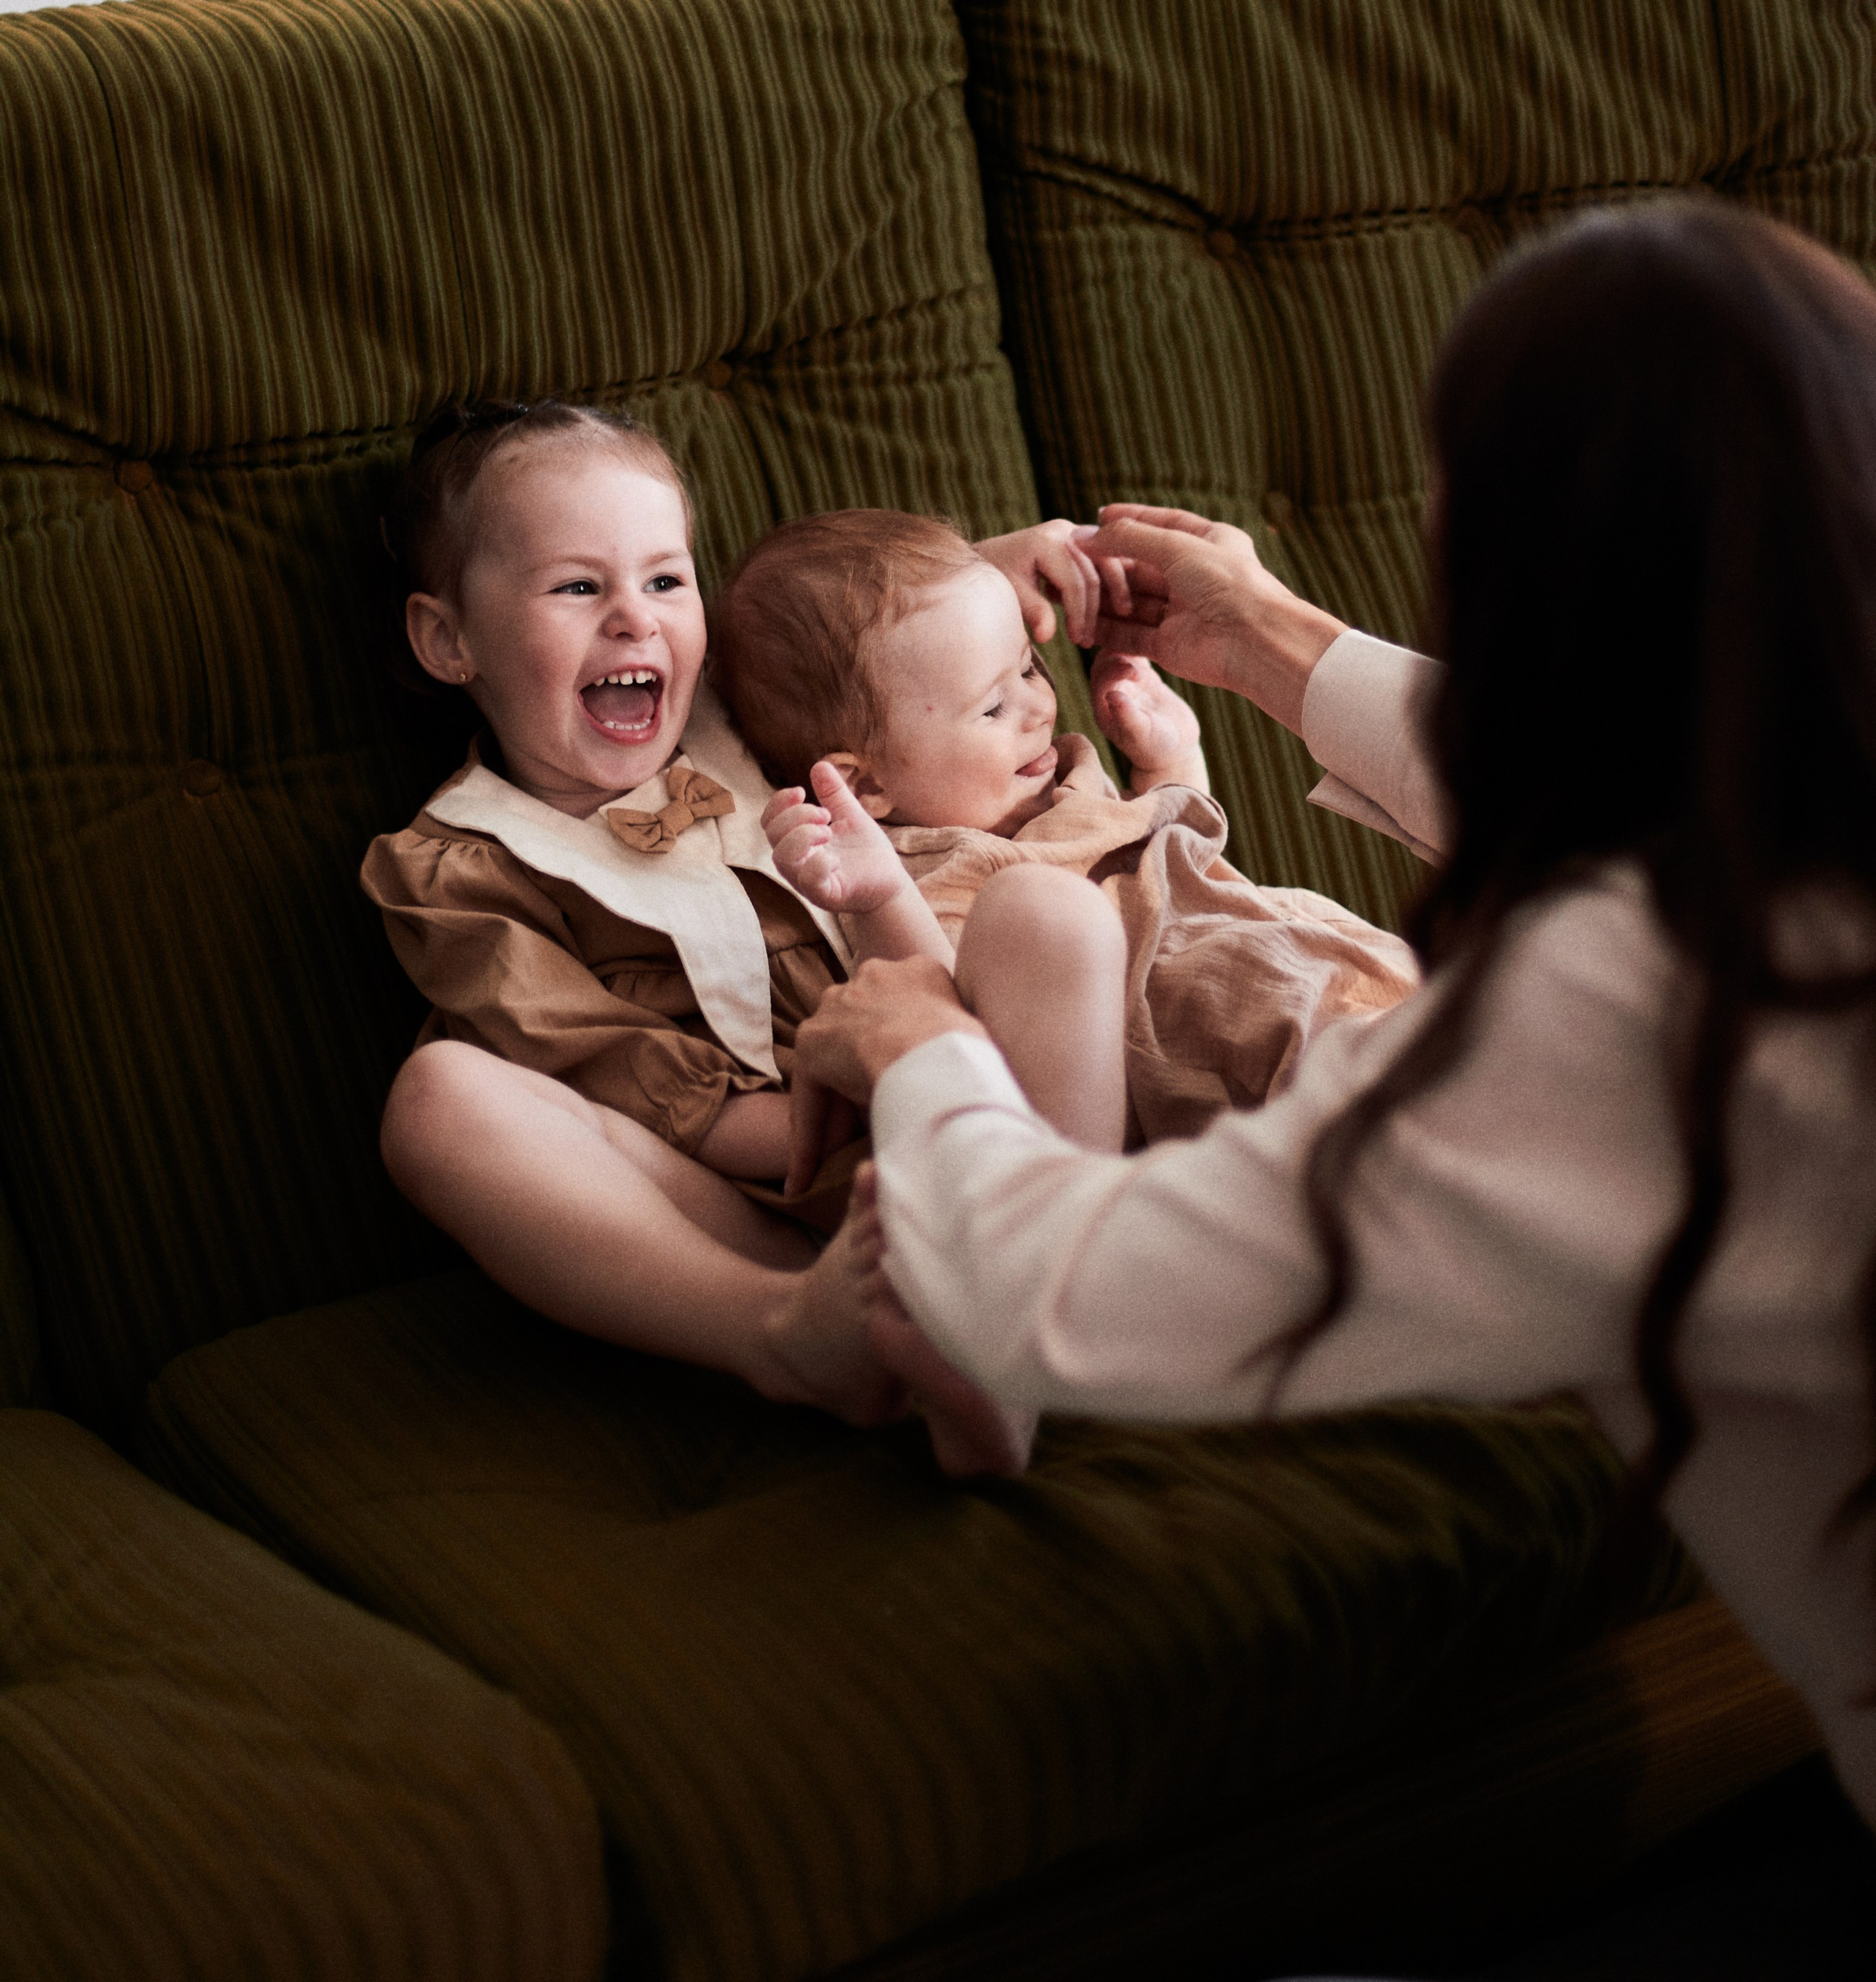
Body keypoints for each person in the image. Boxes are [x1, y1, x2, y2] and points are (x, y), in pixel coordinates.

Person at [791, 203, 1876, 1825]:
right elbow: (1638, 792)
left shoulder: (1622, 1017)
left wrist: (923, 1045)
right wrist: (1268, 641)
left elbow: (1059, 1294)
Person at [361, 395, 1105, 1470]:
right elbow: (590, 1060)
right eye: (579, 587)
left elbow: (850, 629)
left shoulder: (732, 714)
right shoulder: (454, 866)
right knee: (437, 1101)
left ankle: (1047, 1300)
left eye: (667, 580)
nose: (637, 620)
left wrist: (1003, 565)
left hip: (954, 1106)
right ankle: (797, 1342)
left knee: (1053, 914)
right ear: (448, 639)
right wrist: (831, 1131)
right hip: (754, 1204)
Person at [706, 508, 1414, 1160]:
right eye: (991, 707)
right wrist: (881, 897)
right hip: (1271, 1067)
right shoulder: (945, 872)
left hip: (1355, 975)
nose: (1038, 707)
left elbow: (1178, 862)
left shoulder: (1057, 780)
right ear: (866, 787)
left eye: (1029, 667)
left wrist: (1172, 758)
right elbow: (942, 1018)